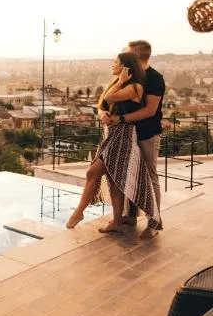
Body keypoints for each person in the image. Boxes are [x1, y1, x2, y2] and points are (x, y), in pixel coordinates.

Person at [66, 52, 162, 233]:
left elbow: (110, 98)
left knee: (92, 172)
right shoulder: (118, 84)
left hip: (123, 137)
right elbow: (103, 103)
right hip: (111, 134)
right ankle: (117, 220)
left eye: (115, 63)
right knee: (113, 178)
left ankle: (79, 212)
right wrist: (103, 114)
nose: (112, 65)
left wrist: (119, 81)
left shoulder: (135, 88)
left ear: (126, 67)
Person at [103, 40, 165, 239]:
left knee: (149, 176)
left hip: (146, 134)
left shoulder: (154, 79)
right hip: (127, 135)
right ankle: (130, 215)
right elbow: (106, 100)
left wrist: (120, 119)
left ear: (136, 56)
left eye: (128, 54)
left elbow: (150, 110)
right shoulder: (130, 77)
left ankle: (154, 222)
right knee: (128, 174)